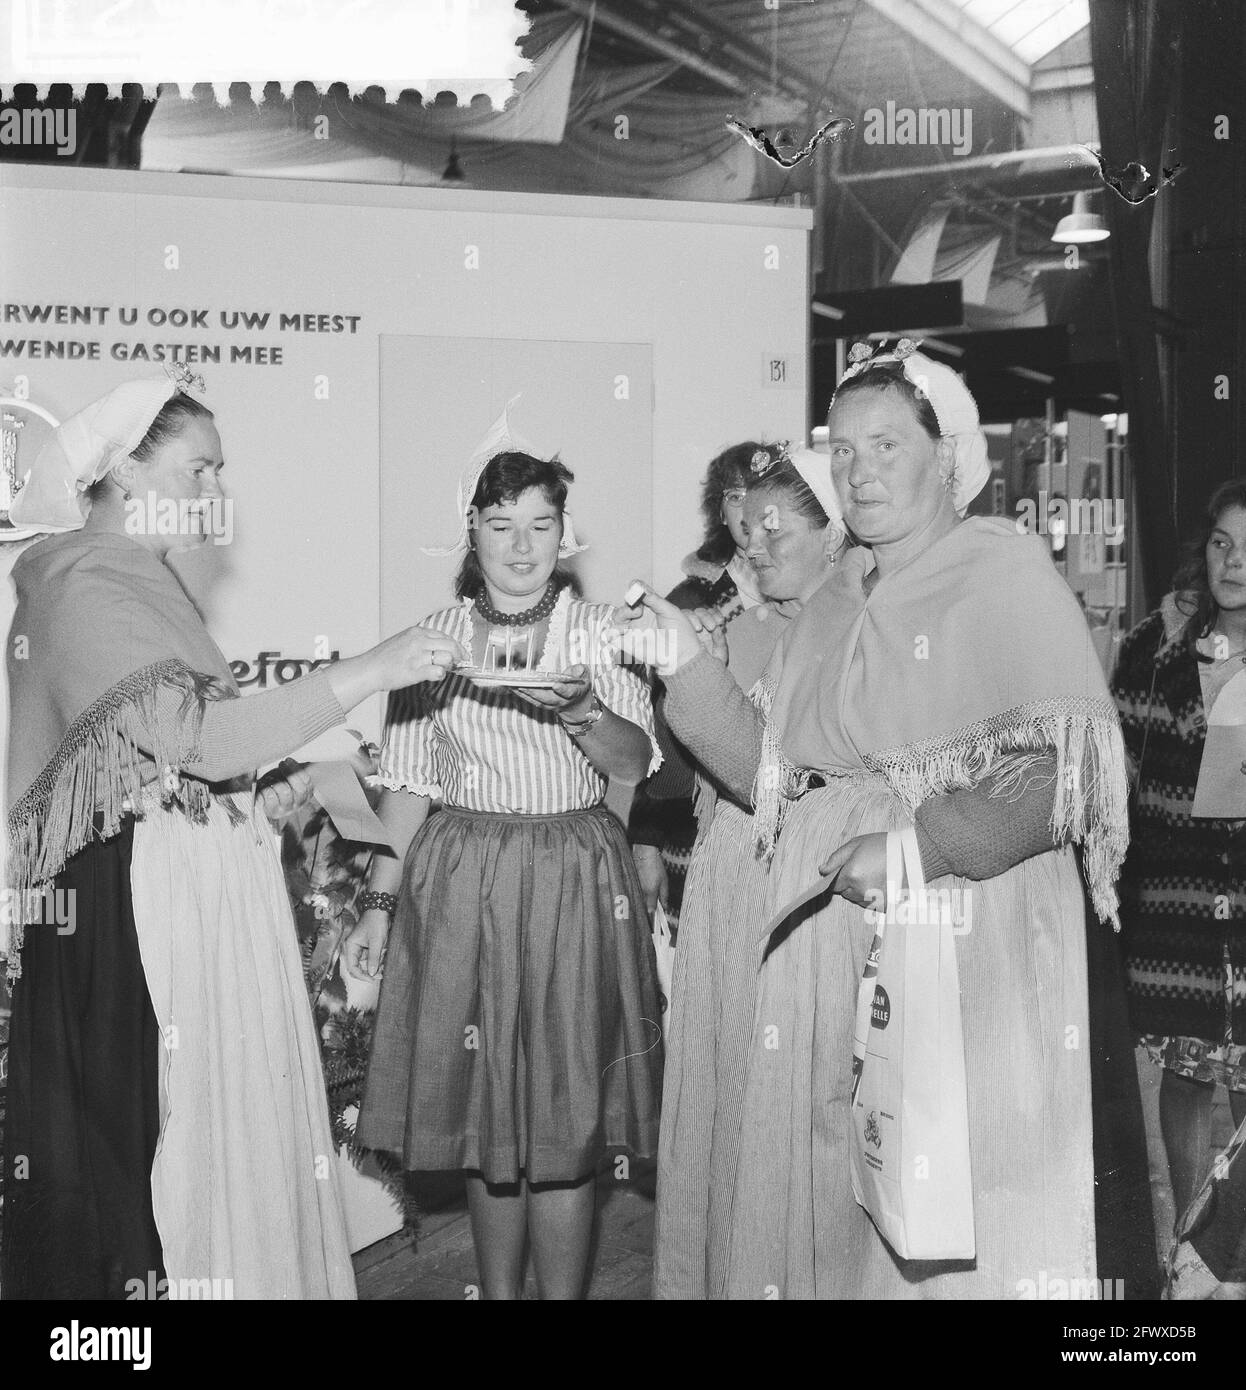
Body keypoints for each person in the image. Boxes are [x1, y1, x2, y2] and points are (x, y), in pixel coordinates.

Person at [619, 339, 1130, 1298]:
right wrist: (684, 664)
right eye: (842, 451)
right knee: (858, 1219)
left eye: (885, 446)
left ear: (947, 459)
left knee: (967, 1218)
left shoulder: (1002, 571)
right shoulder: (839, 595)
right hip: (842, 962)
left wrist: (916, 846)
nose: (857, 472)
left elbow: (1069, 777)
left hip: (973, 946)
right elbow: (772, 781)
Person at [1, 367, 465, 1300]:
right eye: (199, 470)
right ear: (126, 474)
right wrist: (373, 666)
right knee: (144, 1158)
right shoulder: (86, 584)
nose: (216, 495)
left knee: (186, 1145)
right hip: (131, 920)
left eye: (222, 473)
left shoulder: (132, 580)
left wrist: (285, 783)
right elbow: (201, 743)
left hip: (169, 900)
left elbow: (183, 758)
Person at [346, 423, 663, 1301]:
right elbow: (406, 786)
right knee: (490, 1114)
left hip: (572, 876)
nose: (521, 546)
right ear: (472, 533)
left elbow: (634, 764)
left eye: (539, 524)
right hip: (465, 881)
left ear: (565, 535)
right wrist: (377, 905)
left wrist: (580, 711)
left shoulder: (598, 632)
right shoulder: (433, 639)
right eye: (500, 524)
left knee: (564, 1110)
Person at [653, 443, 845, 1298]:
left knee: (791, 1112)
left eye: (774, 526)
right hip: (730, 886)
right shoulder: (741, 621)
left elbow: (791, 785)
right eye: (746, 526)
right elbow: (674, 777)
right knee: (727, 1099)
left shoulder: (857, 628)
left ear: (833, 531)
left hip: (803, 898)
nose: (753, 545)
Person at [1111, 480, 1246, 1277]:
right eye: (1224, 543)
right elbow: (1118, 776)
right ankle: (1193, 1263)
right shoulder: (1153, 652)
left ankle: (1237, 1260)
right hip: (1174, 910)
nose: (1235, 562)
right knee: (1190, 1079)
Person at [629, 443, 765, 930]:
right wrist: (643, 840)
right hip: (692, 829)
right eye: (734, 495)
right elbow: (648, 726)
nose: (748, 508)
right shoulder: (687, 600)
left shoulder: (812, 590)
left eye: (761, 491)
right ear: (718, 508)